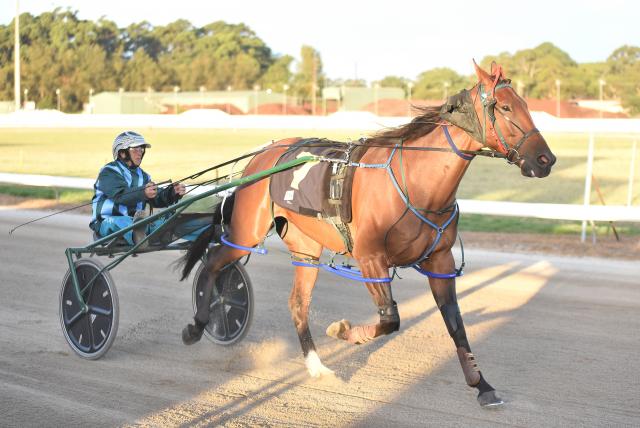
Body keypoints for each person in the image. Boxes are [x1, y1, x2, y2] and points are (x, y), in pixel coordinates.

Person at [90, 131, 204, 245]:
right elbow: (120, 196)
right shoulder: (109, 172)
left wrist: (172, 193)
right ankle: (139, 236)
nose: (140, 152)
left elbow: (156, 197)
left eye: (141, 149)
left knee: (172, 220)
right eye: (135, 149)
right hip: (107, 223)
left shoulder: (143, 176)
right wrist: (143, 193)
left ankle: (209, 235)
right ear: (123, 153)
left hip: (139, 223)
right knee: (122, 221)